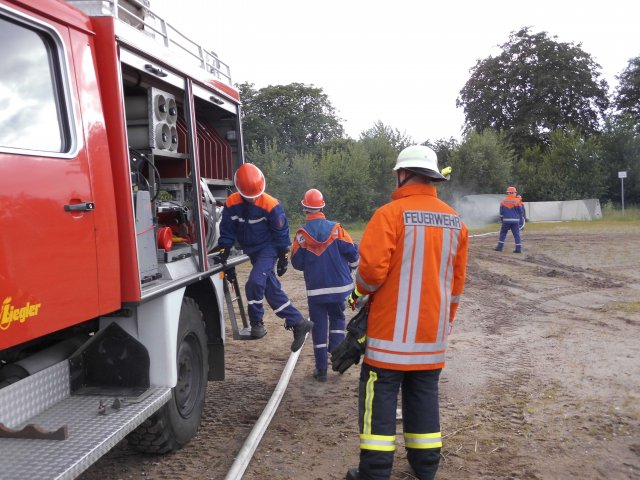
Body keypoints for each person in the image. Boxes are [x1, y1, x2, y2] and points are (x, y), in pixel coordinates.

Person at [345, 145, 469, 480]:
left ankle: (374, 473)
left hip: (387, 340)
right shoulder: (455, 222)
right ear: (431, 176)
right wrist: (445, 322)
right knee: (424, 400)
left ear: (403, 174)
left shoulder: (389, 215)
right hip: (431, 338)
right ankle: (425, 469)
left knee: (379, 404)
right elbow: (457, 283)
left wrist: (357, 294)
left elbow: (370, 273)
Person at [213, 163, 312, 352]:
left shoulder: (270, 204)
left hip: (268, 249)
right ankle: (298, 322)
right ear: (239, 191)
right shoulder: (232, 203)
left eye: (255, 196)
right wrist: (225, 246)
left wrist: (283, 255)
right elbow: (227, 227)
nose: (252, 200)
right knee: (271, 290)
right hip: (251, 250)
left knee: (255, 283)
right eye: (248, 197)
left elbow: (281, 231)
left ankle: (256, 322)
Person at [291, 189, 359, 382]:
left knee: (318, 327)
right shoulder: (337, 229)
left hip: (316, 291)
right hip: (340, 289)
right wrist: (353, 267)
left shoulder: (301, 235)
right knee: (338, 319)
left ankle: (321, 371)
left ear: (305, 208)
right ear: (322, 206)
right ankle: (337, 359)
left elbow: (296, 263)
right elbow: (352, 253)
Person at [495, 186, 524, 253]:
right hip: (515, 221)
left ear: (508, 193)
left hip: (506, 221)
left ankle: (499, 247)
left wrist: (502, 220)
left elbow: (501, 212)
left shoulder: (503, 201)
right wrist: (521, 221)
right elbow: (520, 212)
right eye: (515, 192)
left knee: (503, 233)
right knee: (516, 234)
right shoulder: (517, 201)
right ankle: (518, 249)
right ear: (513, 193)